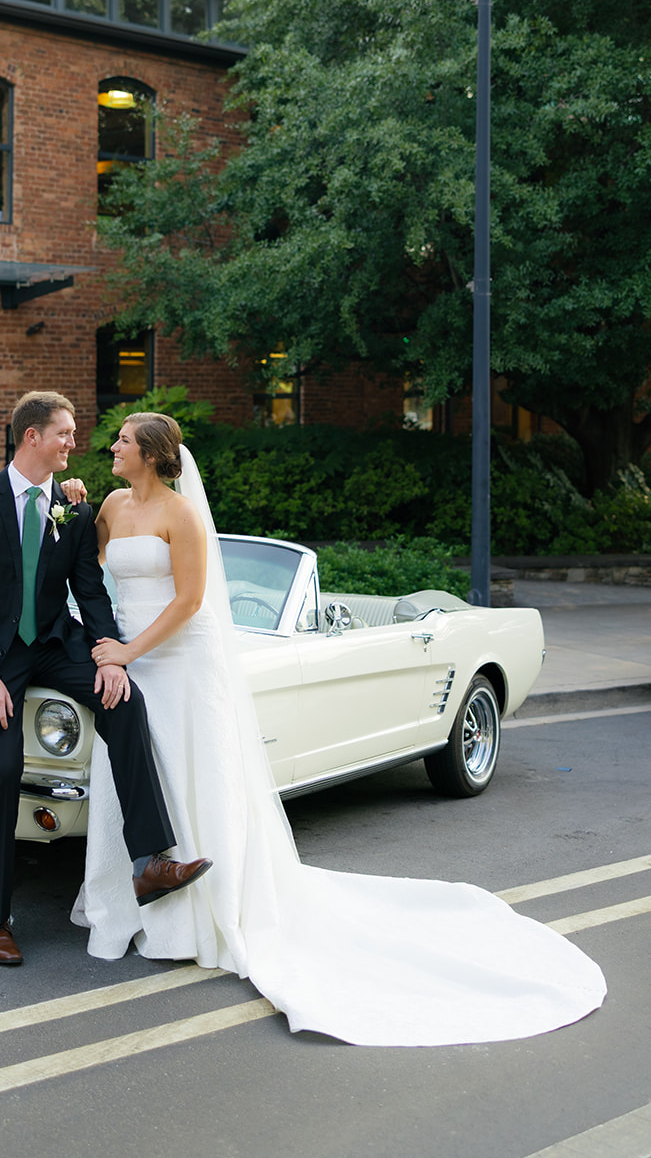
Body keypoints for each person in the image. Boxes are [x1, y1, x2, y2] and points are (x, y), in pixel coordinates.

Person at [69, 412, 607, 1046]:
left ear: (153, 456)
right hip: (128, 656)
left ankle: (198, 919)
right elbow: (89, 563)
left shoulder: (181, 515)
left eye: (123, 441)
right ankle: (133, 897)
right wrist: (74, 514)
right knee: (138, 770)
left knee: (192, 774)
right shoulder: (109, 504)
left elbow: (189, 601)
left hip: (180, 659)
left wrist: (127, 655)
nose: (112, 447)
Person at [0, 391, 211, 968]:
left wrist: (111, 657)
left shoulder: (75, 507)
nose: (75, 442)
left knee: (124, 702)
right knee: (3, 767)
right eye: (64, 433)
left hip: (56, 645)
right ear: (32, 437)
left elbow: (90, 590)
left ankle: (148, 864)